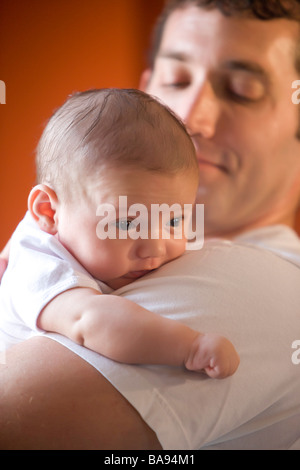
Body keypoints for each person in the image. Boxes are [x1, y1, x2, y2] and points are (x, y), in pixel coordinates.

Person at [1, 0, 300, 450]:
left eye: (242, 91)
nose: (190, 119)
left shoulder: (269, 281)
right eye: (176, 81)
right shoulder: (53, 251)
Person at [0, 88, 239, 378]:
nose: (154, 248)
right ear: (50, 213)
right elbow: (92, 322)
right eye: (127, 224)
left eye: (174, 222)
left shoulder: (56, 221)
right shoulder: (42, 271)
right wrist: (190, 347)